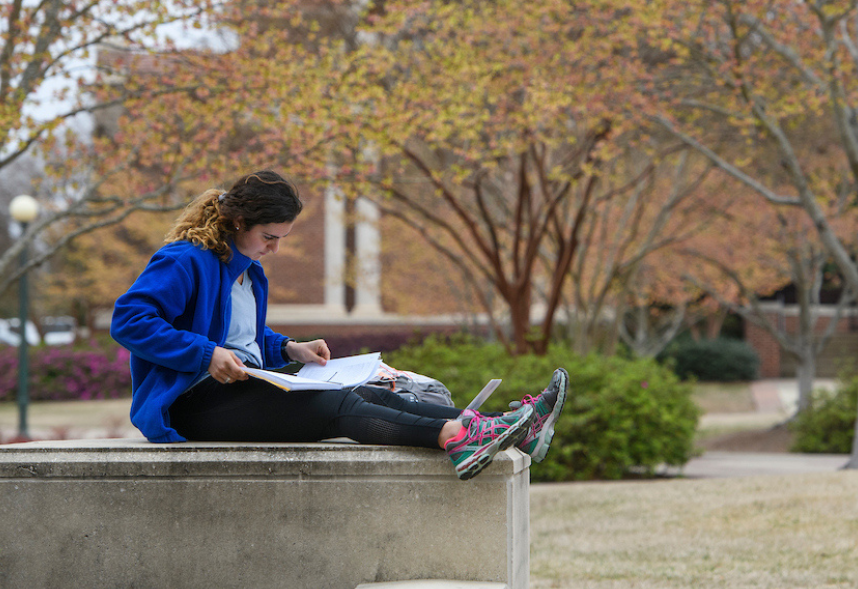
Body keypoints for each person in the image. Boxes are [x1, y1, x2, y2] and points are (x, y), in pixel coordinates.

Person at [111, 170, 568, 481]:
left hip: (239, 390)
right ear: (236, 222)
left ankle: (496, 427)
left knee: (365, 393)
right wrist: (204, 355)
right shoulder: (185, 259)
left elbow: (240, 340)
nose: (274, 249)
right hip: (191, 405)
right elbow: (130, 320)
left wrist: (290, 349)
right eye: (269, 237)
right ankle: (457, 437)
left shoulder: (248, 270)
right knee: (337, 405)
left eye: (281, 239)